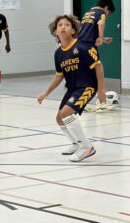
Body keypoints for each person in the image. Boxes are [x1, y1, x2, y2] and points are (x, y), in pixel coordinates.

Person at [36, 14, 105, 162]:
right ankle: (76, 144)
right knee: (59, 118)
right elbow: (59, 76)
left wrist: (101, 90)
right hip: (72, 88)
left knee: (66, 114)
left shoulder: (82, 46)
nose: (63, 27)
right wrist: (45, 93)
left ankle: (87, 147)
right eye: (60, 25)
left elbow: (98, 66)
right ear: (55, 31)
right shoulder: (58, 53)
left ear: (73, 30)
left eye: (67, 25)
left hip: (87, 86)